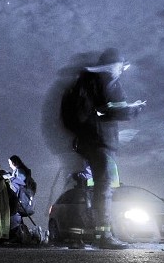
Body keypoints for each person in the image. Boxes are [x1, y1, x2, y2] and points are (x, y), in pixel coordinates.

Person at [61, 48, 146, 249]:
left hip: (88, 141)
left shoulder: (86, 82)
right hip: (99, 141)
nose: (121, 70)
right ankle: (103, 235)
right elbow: (110, 111)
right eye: (120, 66)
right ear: (112, 65)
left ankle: (92, 234)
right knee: (104, 187)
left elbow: (98, 111)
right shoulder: (103, 81)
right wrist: (133, 109)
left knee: (91, 187)